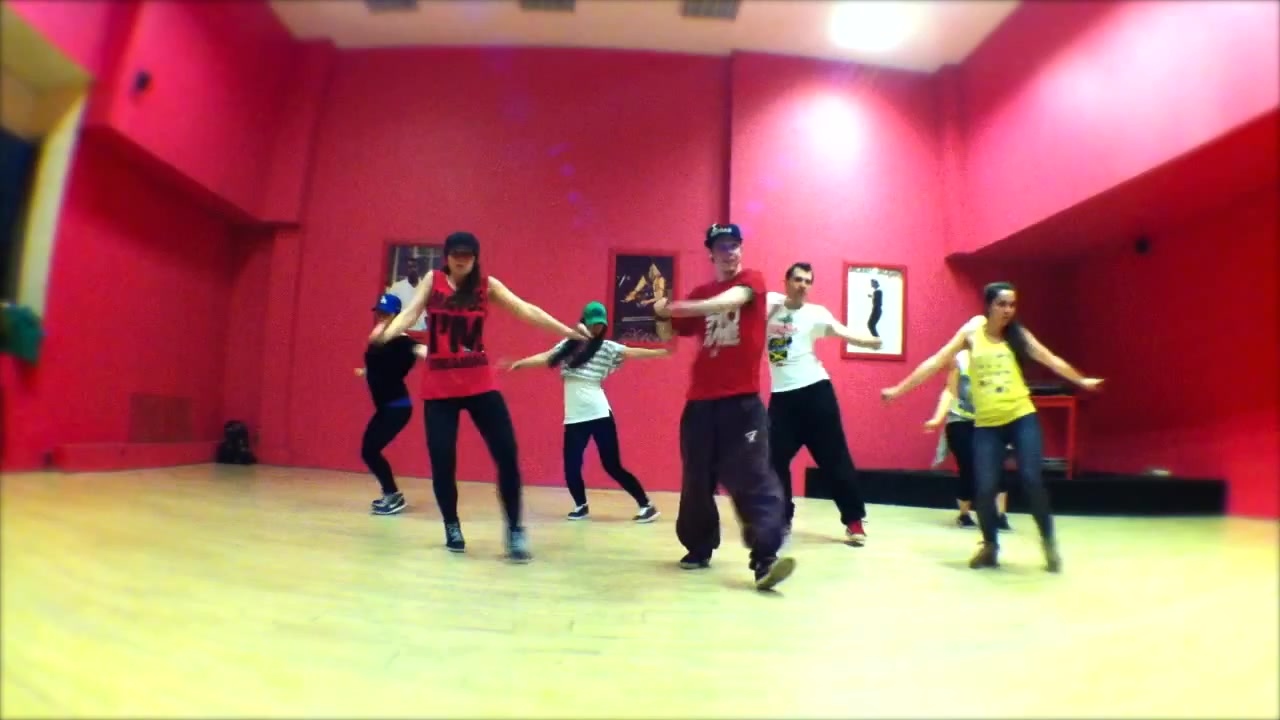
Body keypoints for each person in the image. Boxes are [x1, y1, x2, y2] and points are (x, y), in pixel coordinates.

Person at [374, 231, 588, 563]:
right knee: (443, 461)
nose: (462, 260)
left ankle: (515, 530)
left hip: (480, 385)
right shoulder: (433, 281)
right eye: (456, 254)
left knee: (507, 455)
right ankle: (452, 525)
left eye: (468, 255)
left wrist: (568, 331)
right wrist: (388, 333)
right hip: (439, 389)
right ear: (447, 256)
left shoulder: (488, 287)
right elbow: (411, 313)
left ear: (476, 258)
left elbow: (526, 310)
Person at [880, 282, 1103, 572]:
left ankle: (1048, 543)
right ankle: (989, 546)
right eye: (1002, 304)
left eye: (1012, 304)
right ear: (988, 306)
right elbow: (935, 362)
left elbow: (1050, 359)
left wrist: (1081, 380)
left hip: (1021, 417)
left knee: (1031, 479)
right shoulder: (972, 332)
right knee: (984, 488)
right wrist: (898, 390)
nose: (1008, 310)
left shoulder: (1018, 336)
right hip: (987, 425)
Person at [654, 223, 796, 591]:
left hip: (742, 404)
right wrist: (661, 314)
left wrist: (679, 306)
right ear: (711, 254)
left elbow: (729, 302)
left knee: (751, 476)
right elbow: (668, 335)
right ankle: (698, 547)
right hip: (700, 404)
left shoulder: (752, 281)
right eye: (722, 247)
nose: (729, 252)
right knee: (696, 479)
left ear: (740, 249)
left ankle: (765, 558)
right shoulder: (701, 292)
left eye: (734, 245)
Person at [505, 301, 669, 522]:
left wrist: (662, 352)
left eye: (600, 325)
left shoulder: (607, 348)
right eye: (592, 324)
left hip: (599, 414)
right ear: (584, 322)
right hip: (574, 418)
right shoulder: (568, 345)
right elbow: (546, 357)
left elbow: (632, 352)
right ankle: (581, 506)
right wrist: (520, 363)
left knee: (612, 465)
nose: (596, 328)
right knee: (571, 466)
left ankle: (646, 505)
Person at [765, 262, 881, 546]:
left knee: (834, 459)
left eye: (808, 281)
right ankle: (782, 517)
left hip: (816, 394)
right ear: (786, 281)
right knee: (773, 459)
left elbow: (842, 331)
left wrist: (869, 342)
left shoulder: (815, 314)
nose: (803, 285)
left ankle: (854, 521)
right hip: (782, 399)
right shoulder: (770, 304)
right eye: (798, 279)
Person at [922, 349, 1012, 530]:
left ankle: (1000, 515)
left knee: (996, 463)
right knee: (969, 464)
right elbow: (949, 392)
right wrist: (937, 418)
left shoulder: (1001, 358)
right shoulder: (961, 360)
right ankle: (964, 514)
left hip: (990, 420)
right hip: (960, 420)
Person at [355, 293, 425, 516]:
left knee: (370, 450)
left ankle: (393, 495)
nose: (381, 316)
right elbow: (381, 365)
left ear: (397, 315)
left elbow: (423, 352)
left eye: (386, 313)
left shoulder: (403, 341)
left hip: (397, 408)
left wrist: (457, 358)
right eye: (379, 312)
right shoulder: (379, 339)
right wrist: (367, 372)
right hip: (386, 408)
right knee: (368, 451)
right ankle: (391, 494)